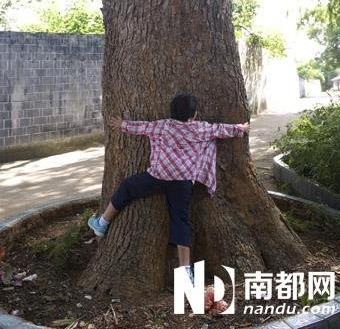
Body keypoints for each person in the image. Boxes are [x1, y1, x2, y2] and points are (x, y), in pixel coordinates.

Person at [88, 94, 250, 281]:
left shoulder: (162, 125)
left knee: (127, 187)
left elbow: (141, 127)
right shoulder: (200, 129)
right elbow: (221, 130)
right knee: (181, 221)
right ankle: (185, 271)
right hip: (182, 183)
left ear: (171, 112)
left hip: (157, 177)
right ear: (195, 114)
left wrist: (122, 124)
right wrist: (241, 129)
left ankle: (102, 223)